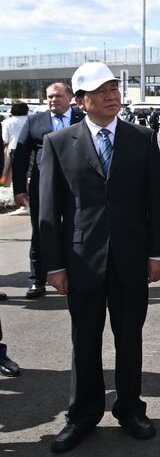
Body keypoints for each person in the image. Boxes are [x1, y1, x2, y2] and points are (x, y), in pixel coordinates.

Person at [38, 62, 160, 452]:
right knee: (85, 339)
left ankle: (130, 408)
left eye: (114, 87)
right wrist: (54, 264)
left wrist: (156, 252)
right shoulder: (59, 143)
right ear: (81, 101)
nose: (112, 95)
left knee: (130, 337)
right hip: (81, 261)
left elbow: (154, 204)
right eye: (101, 90)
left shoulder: (142, 138)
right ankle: (82, 414)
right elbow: (49, 210)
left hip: (131, 259)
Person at [12, 82, 85, 299]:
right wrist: (19, 189)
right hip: (43, 186)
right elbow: (21, 156)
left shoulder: (82, 120)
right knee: (42, 230)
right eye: (50, 97)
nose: (53, 100)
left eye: (58, 96)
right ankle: (37, 279)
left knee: (77, 229)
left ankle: (76, 273)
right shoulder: (35, 121)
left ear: (70, 98)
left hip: (77, 187)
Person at [2, 100, 29, 187]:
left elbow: (5, 139)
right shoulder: (30, 120)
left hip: (13, 147)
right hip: (29, 148)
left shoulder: (7, 122)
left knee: (16, 172)